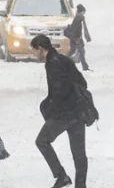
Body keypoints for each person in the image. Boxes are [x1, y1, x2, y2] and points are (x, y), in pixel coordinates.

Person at [30, 34, 89, 188]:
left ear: (41, 49)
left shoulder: (52, 64)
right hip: (78, 112)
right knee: (79, 153)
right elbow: (82, 82)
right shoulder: (64, 60)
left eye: (35, 51)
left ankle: (61, 176)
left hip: (64, 114)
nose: (34, 54)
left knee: (42, 141)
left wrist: (49, 107)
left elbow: (59, 92)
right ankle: (80, 185)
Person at [65, 4, 92, 71]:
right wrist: (77, 39)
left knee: (72, 51)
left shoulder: (78, 18)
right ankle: (85, 67)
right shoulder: (78, 19)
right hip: (76, 39)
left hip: (75, 39)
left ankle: (62, 61)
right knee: (82, 52)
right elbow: (75, 30)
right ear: (81, 11)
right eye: (83, 12)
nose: (84, 13)